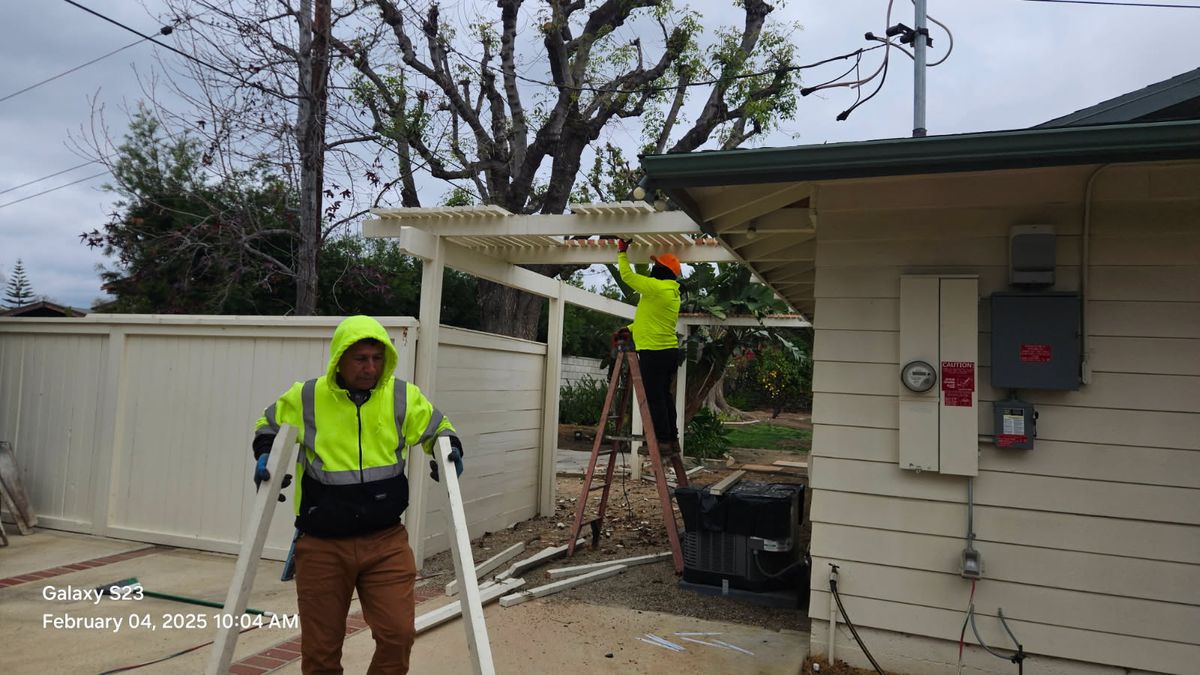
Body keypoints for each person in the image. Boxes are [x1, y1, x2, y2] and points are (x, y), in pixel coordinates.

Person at [250, 315, 464, 674]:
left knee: (398, 634)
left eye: (377, 359)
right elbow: (268, 424)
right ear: (340, 359)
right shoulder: (307, 396)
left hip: (385, 542)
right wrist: (265, 454)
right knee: (320, 651)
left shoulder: (401, 397)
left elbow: (438, 427)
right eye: (360, 359)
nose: (370, 368)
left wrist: (448, 450)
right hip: (322, 545)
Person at [616, 239, 682, 453]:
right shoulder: (670, 292)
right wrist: (629, 329)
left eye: (657, 267)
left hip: (654, 353)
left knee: (654, 398)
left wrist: (622, 252)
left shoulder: (657, 287)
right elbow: (649, 320)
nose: (653, 269)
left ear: (664, 271)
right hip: (667, 352)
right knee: (664, 396)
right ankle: (671, 439)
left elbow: (626, 276)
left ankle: (662, 441)